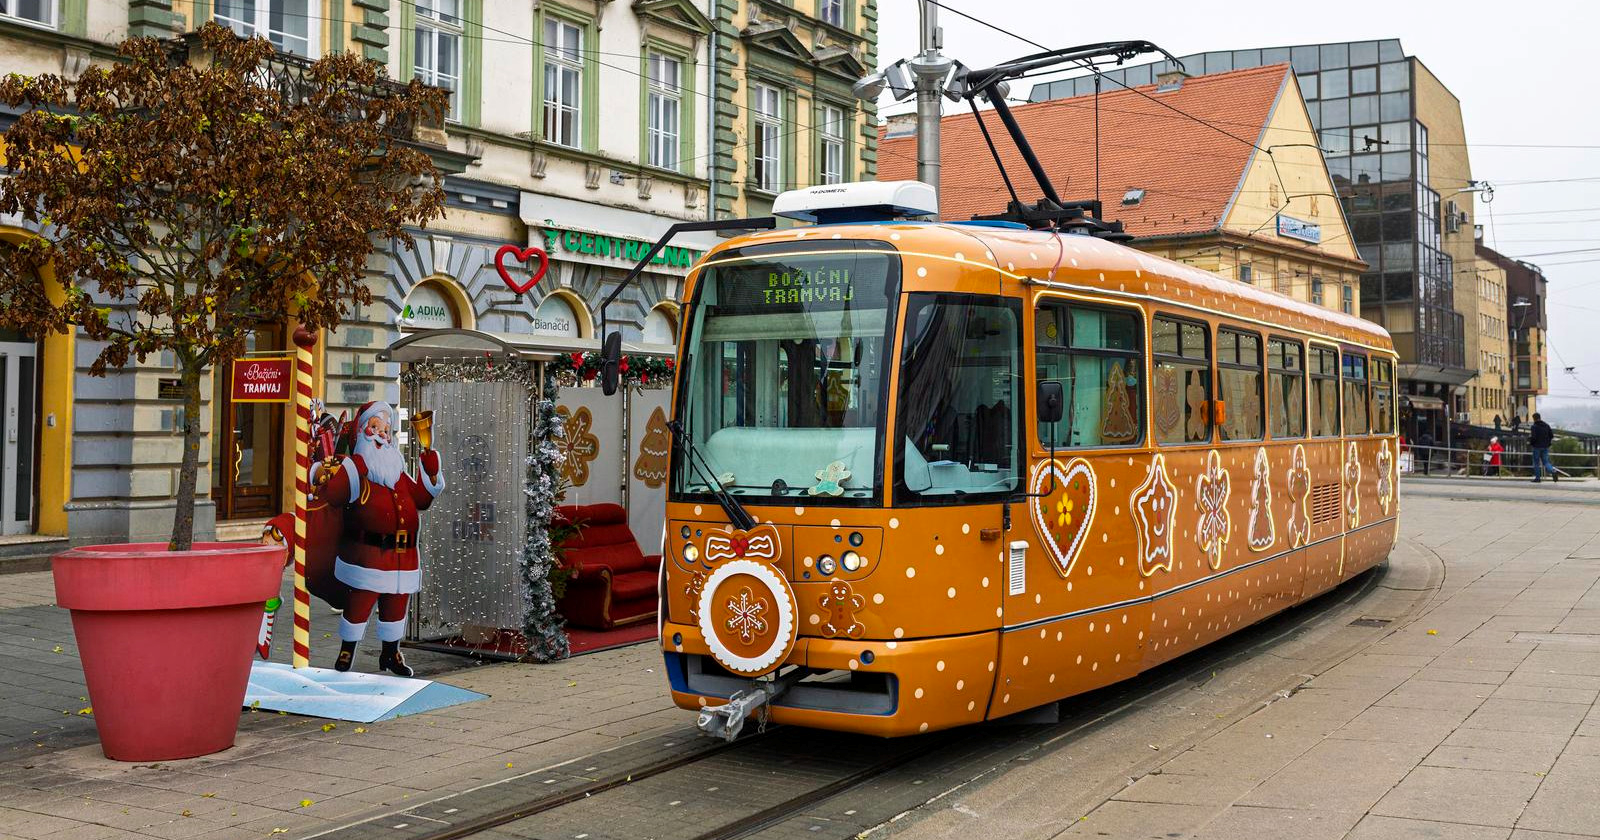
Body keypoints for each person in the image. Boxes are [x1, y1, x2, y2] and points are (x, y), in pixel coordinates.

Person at [313, 401, 445, 675]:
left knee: (396, 606)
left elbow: (421, 499)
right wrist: (353, 465)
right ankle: (347, 650)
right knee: (359, 604)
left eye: (386, 429)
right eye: (375, 427)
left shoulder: (397, 472)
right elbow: (334, 496)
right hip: (368, 556)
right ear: (362, 431)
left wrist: (430, 470)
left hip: (402, 558)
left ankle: (391, 653)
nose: (382, 434)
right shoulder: (357, 469)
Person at [1529, 413, 1556, 483]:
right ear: (1540, 417)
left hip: (1536, 447)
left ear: (1534, 418)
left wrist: (1531, 443)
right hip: (1545, 447)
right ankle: (1553, 471)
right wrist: (1548, 443)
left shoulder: (1534, 427)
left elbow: (1533, 438)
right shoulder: (1546, 425)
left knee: (1536, 463)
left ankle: (1538, 478)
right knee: (1546, 462)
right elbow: (1551, 436)